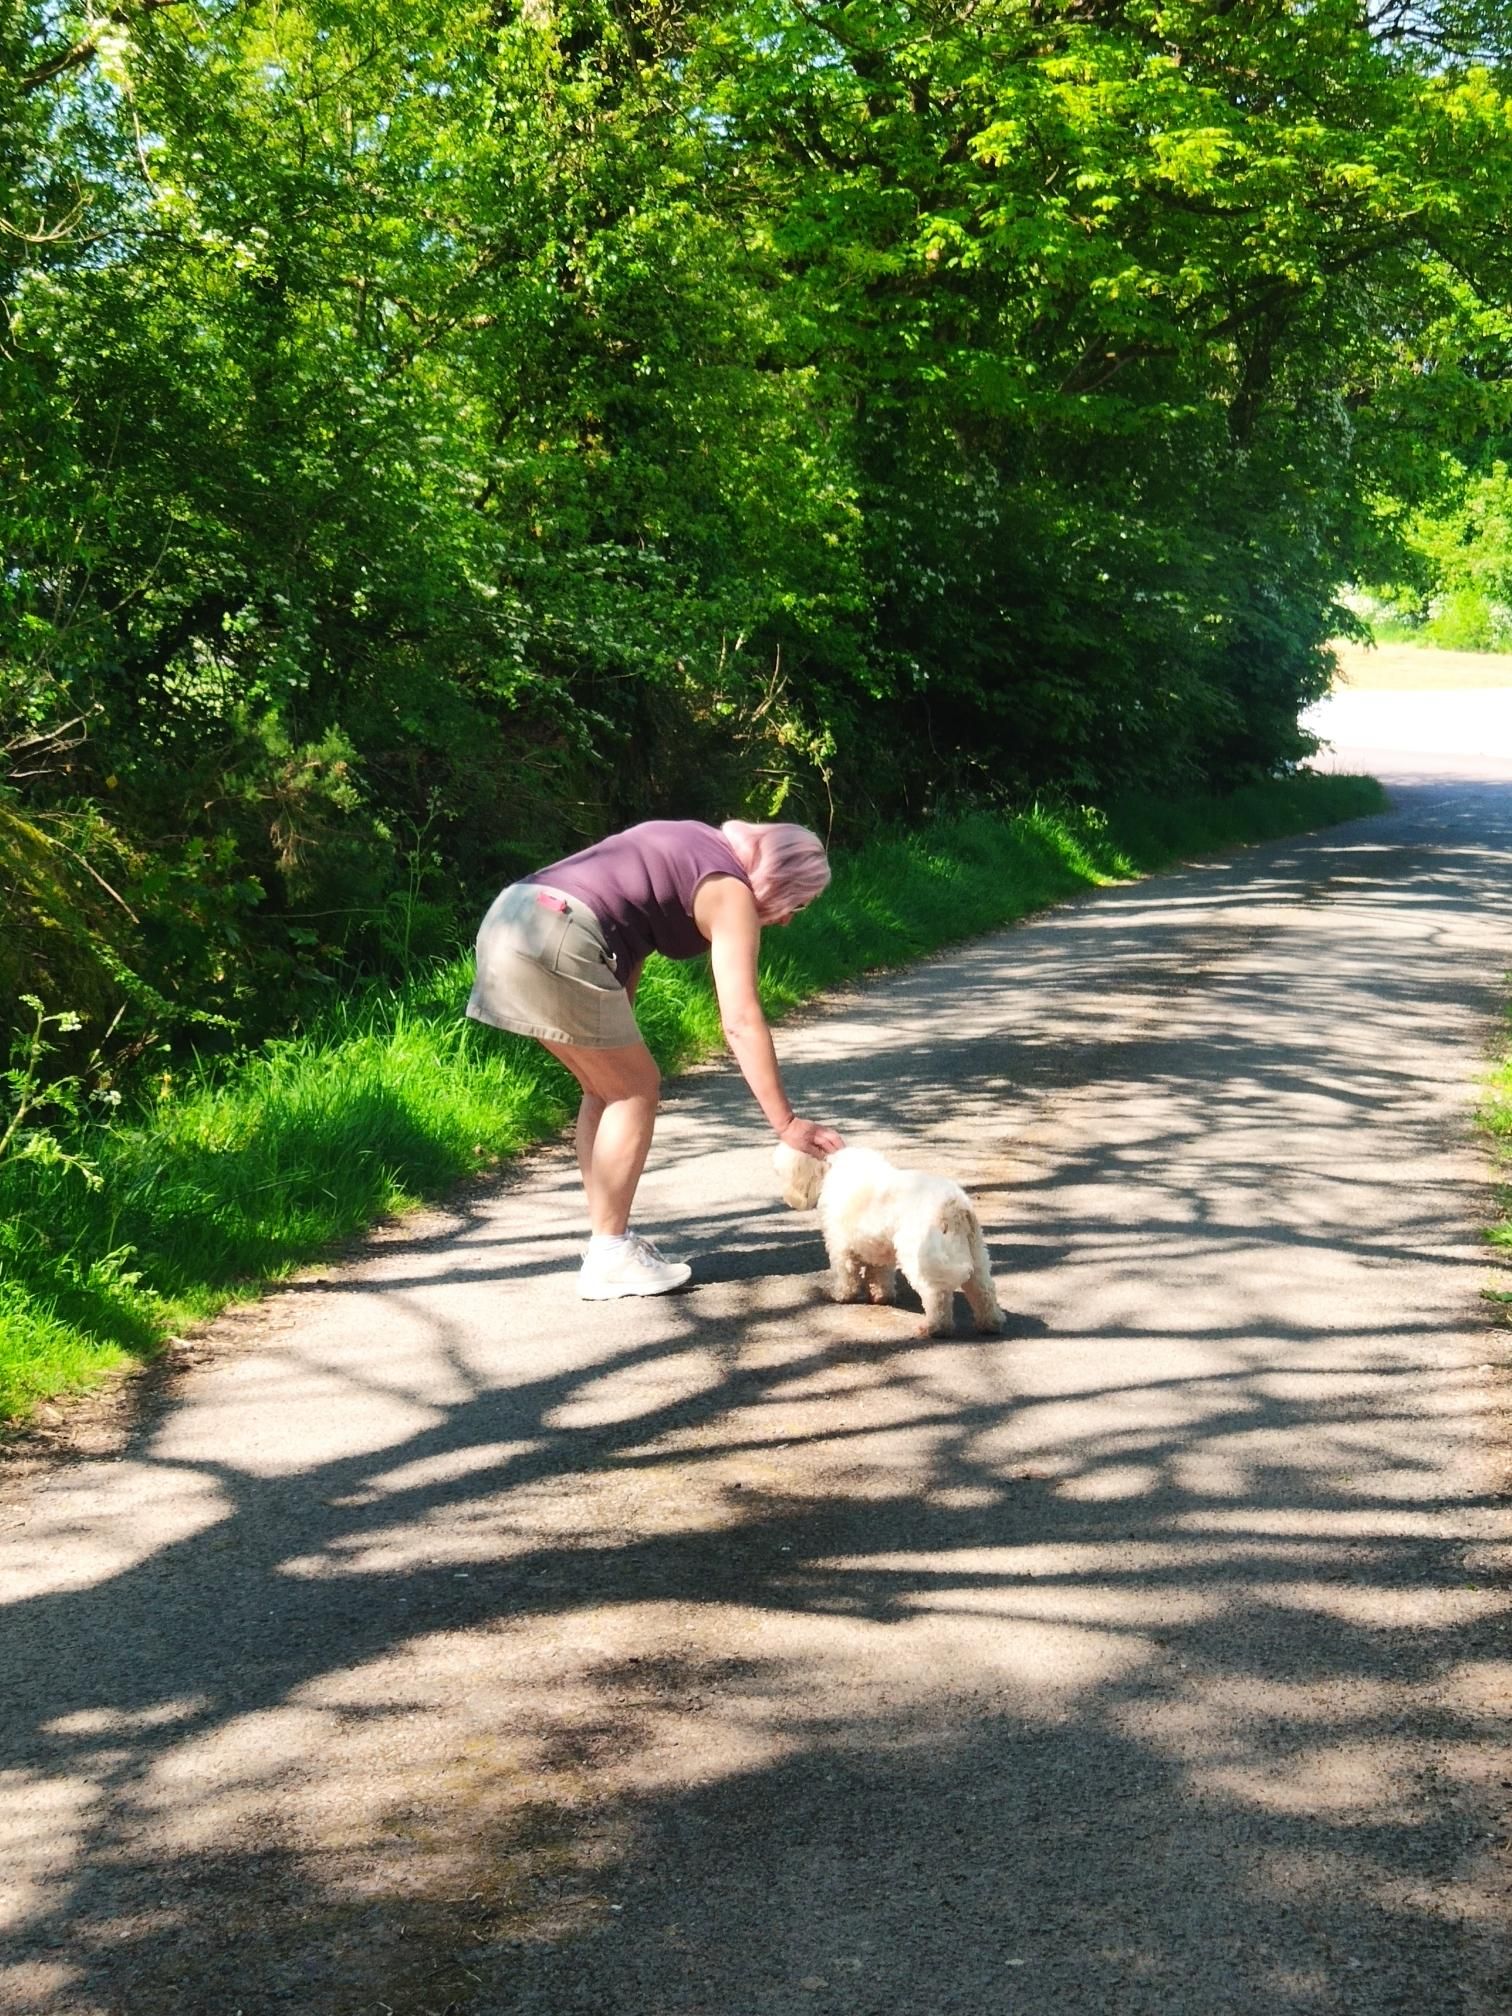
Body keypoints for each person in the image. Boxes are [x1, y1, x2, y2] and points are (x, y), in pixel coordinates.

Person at [467, 818, 845, 1299]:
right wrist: (787, 1123)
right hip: (557, 931)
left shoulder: (693, 843)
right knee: (635, 1088)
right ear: (780, 878)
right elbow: (741, 1020)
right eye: (798, 901)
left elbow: (625, 926)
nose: (790, 917)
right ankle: (609, 1254)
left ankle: (608, 1241)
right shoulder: (731, 890)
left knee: (606, 1090)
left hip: (512, 919)